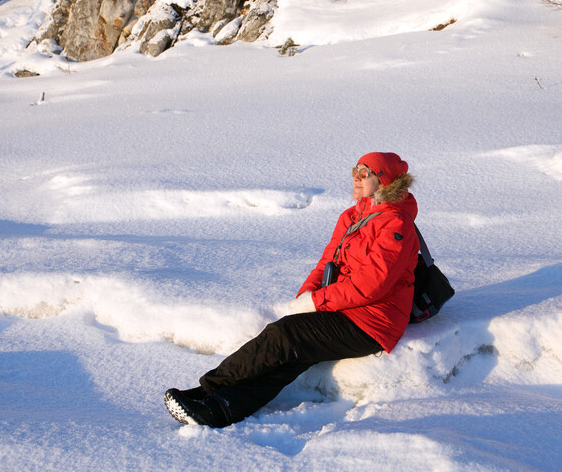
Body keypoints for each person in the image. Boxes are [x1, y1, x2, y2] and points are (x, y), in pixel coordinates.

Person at [164, 152, 420, 428]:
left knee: (284, 334)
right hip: (345, 309)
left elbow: (372, 286)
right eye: (354, 171)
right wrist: (305, 296)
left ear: (383, 182)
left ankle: (208, 389)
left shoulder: (396, 225)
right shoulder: (351, 216)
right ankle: (221, 408)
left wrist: (316, 302)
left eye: (364, 173)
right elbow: (327, 263)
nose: (355, 178)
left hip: (374, 321)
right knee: (292, 355)